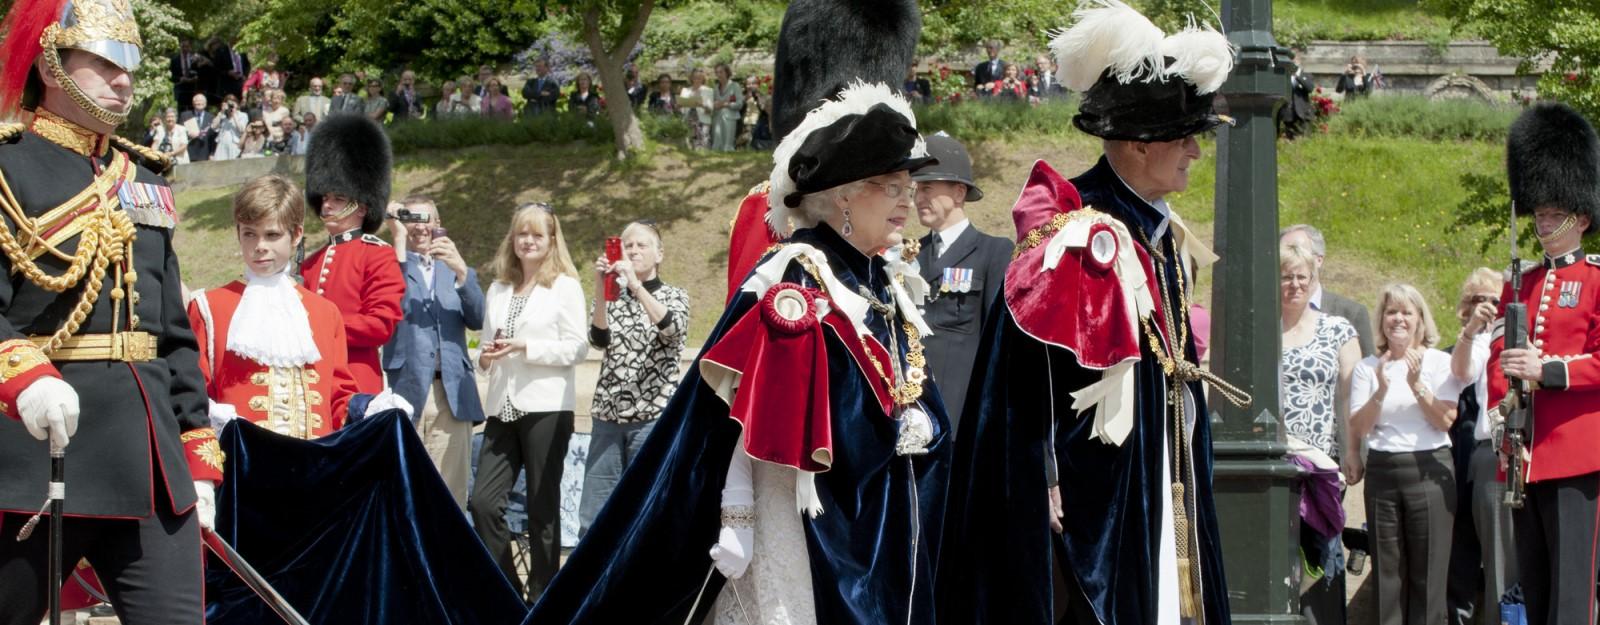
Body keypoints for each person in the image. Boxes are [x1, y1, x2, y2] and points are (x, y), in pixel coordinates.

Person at [524, 81, 947, 625]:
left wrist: (928, 422)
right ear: (843, 194)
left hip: (878, 513)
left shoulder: (883, 280)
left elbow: (912, 385)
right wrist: (894, 429)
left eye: (908, 186)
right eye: (890, 186)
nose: (906, 201)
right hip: (805, 518)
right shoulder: (796, 278)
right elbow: (795, 415)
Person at [938, 3, 1244, 623]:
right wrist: (1046, 472)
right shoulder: (1080, 231)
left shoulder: (1156, 232)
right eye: (1183, 136)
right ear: (1137, 141)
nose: (1194, 149)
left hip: (1165, 476)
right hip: (1102, 499)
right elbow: (1024, 379)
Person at [0, 2, 221, 621]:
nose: (124, 79)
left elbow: (171, 333)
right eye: (103, 62)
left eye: (129, 64)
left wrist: (196, 449)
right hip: (38, 452)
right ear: (50, 64)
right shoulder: (7, 167)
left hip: (148, 458)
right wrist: (28, 379)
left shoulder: (141, 175)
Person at [1486, 102, 1600, 625]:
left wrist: (1547, 371)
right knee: (1533, 582)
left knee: (1571, 592)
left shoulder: (1596, 280)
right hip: (1523, 451)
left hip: (1578, 452)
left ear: (1581, 217)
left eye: (1554, 214)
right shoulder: (1522, 283)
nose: (1543, 222)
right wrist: (1497, 405)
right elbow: (1498, 357)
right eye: (1540, 213)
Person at [188, 175, 412, 441]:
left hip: (314, 469)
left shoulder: (325, 313)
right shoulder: (208, 307)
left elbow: (337, 396)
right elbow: (194, 397)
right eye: (249, 234)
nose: (260, 247)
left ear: (295, 235)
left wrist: (369, 408)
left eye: (272, 235)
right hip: (243, 470)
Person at [470, 202, 587, 602]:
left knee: (542, 507)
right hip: (501, 405)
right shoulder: (498, 288)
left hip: (547, 407)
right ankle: (510, 590)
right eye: (522, 233)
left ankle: (543, 596)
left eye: (537, 234)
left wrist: (526, 346)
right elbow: (486, 350)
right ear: (512, 239)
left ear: (552, 240)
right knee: (482, 503)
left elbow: (577, 347)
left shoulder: (565, 286)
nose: (528, 241)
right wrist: (486, 357)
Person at [1349, 283, 1461, 625]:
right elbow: (1361, 425)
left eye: (1406, 312)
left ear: (1421, 320)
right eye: (1391, 312)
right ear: (1381, 319)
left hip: (1428, 469)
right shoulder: (1367, 367)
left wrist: (1417, 385)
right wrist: (1381, 389)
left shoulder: (1440, 362)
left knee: (1428, 572)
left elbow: (1445, 421)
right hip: (1383, 472)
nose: (1398, 319)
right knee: (1387, 571)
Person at [579, 221, 690, 536]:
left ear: (659, 254)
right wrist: (601, 288)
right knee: (593, 517)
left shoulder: (674, 296)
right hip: (607, 420)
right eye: (628, 246)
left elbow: (671, 329)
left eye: (642, 245)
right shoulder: (612, 297)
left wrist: (636, 287)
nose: (634, 251)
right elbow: (599, 339)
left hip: (651, 421)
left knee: (648, 512)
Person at [383, 195, 485, 511]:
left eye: (427, 218)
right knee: (404, 487)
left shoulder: (457, 270)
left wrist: (461, 272)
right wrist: (398, 245)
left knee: (450, 493)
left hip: (452, 391)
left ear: (438, 225)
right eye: (411, 217)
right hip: (407, 388)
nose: (420, 226)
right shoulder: (389, 266)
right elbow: (391, 306)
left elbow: (480, 318)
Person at [1279, 242, 1361, 624]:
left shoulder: (1337, 329)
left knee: (1323, 554)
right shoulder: (1260, 330)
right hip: (1275, 465)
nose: (1294, 285)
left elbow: (1350, 396)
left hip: (1321, 467)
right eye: (1286, 277)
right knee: (1280, 558)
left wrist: (1353, 450)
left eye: (1302, 277)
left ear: (1314, 280)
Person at [297, 114, 405, 394]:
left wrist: (322, 329)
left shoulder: (377, 255)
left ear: (362, 207)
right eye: (325, 198)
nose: (328, 205)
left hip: (357, 380)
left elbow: (380, 324)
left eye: (339, 198)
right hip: (314, 381)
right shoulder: (310, 263)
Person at [912, 132, 1011, 432]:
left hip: (965, 418)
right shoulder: (908, 256)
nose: (918, 198)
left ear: (958, 192)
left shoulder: (994, 252)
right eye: (916, 189)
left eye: (927, 188)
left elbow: (1001, 348)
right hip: (913, 416)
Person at [1444, 267, 1515, 625]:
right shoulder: (1478, 345)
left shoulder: (1524, 335)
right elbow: (1459, 372)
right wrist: (1471, 331)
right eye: (1479, 300)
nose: (1488, 306)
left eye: (1496, 299)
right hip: (1485, 457)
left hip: (1538, 455)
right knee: (1494, 560)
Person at [1283, 223, 1376, 357]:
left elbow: (1367, 370)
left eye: (1298, 251)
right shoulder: (1266, 312)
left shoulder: (1351, 313)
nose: (1291, 259)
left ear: (1319, 259)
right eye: (1284, 253)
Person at [709, 64, 743, 151]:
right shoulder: (715, 88)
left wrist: (725, 104)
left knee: (727, 145)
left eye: (721, 72)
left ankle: (728, 151)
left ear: (727, 72)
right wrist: (714, 104)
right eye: (717, 72)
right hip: (717, 118)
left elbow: (740, 104)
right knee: (716, 142)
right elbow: (712, 103)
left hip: (730, 117)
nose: (719, 74)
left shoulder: (735, 86)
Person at [680, 68, 714, 150]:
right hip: (688, 119)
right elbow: (681, 107)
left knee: (703, 144)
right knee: (689, 144)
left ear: (703, 79)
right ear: (691, 78)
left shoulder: (708, 91)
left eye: (699, 78)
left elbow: (710, 110)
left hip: (702, 120)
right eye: (695, 77)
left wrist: (702, 105)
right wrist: (679, 106)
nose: (697, 80)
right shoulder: (685, 90)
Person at [210, 93, 250, 160]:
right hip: (221, 144)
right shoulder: (222, 115)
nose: (231, 106)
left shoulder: (243, 115)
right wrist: (222, 112)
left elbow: (242, 129)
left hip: (234, 145)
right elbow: (213, 126)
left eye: (233, 104)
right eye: (229, 104)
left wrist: (234, 115)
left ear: (237, 104)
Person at [180, 93, 215, 162]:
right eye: (197, 101)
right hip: (189, 152)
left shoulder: (211, 117)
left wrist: (212, 153)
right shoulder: (185, 115)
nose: (199, 103)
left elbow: (212, 138)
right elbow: (179, 132)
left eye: (202, 101)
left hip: (204, 153)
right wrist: (188, 134)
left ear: (205, 103)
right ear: (193, 103)